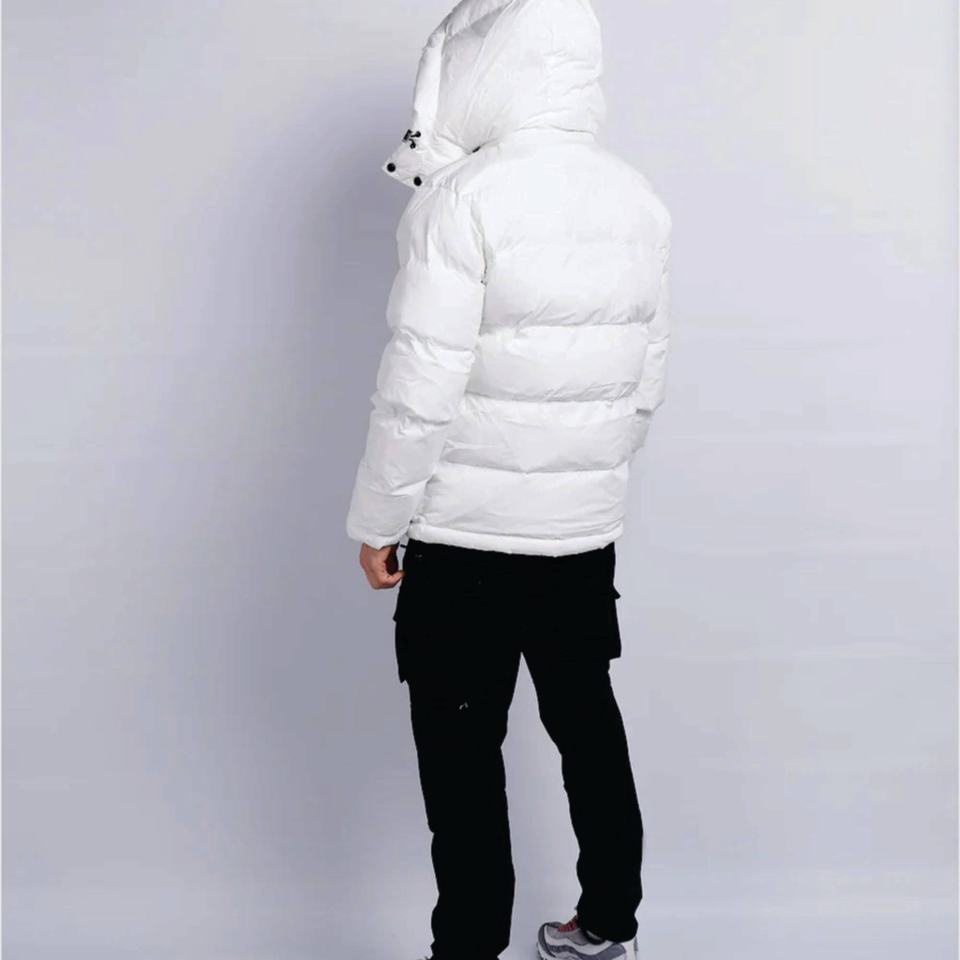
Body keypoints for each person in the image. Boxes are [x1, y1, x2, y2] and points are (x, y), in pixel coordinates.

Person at [346, 0, 671, 957]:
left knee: (460, 759)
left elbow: (418, 386)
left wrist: (379, 519)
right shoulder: (637, 200)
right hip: (580, 536)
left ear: (487, 69)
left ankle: (467, 948)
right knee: (588, 727)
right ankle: (607, 925)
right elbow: (645, 380)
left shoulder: (462, 199)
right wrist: (584, 484)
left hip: (464, 543)